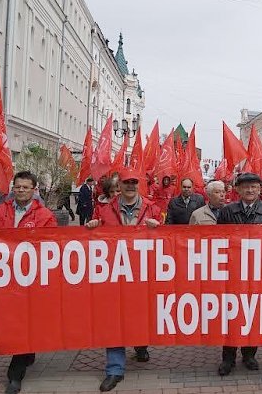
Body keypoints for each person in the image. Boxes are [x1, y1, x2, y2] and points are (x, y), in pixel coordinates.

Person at [0, 171, 57, 394]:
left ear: (34, 190)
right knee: (14, 319)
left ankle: (14, 374)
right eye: (17, 187)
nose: (21, 191)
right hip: (6, 277)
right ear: (13, 188)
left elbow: (53, 244)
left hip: (32, 278)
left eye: (25, 187)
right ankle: (27, 352)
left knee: (26, 320)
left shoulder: (45, 215)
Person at [85, 168, 162, 392]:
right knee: (113, 319)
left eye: (133, 182)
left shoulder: (153, 209)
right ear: (119, 186)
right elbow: (92, 237)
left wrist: (158, 229)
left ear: (139, 185)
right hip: (114, 274)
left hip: (143, 273)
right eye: (126, 183)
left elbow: (167, 241)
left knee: (141, 315)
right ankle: (114, 369)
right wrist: (91, 227)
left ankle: (140, 345)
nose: (130, 186)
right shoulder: (104, 210)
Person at [216, 172, 262, 376]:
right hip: (233, 273)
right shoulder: (226, 212)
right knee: (231, 315)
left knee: (253, 313)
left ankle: (250, 354)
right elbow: (217, 241)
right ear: (238, 190)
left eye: (254, 186)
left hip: (258, 273)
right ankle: (228, 358)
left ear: (260, 189)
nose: (250, 190)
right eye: (245, 187)